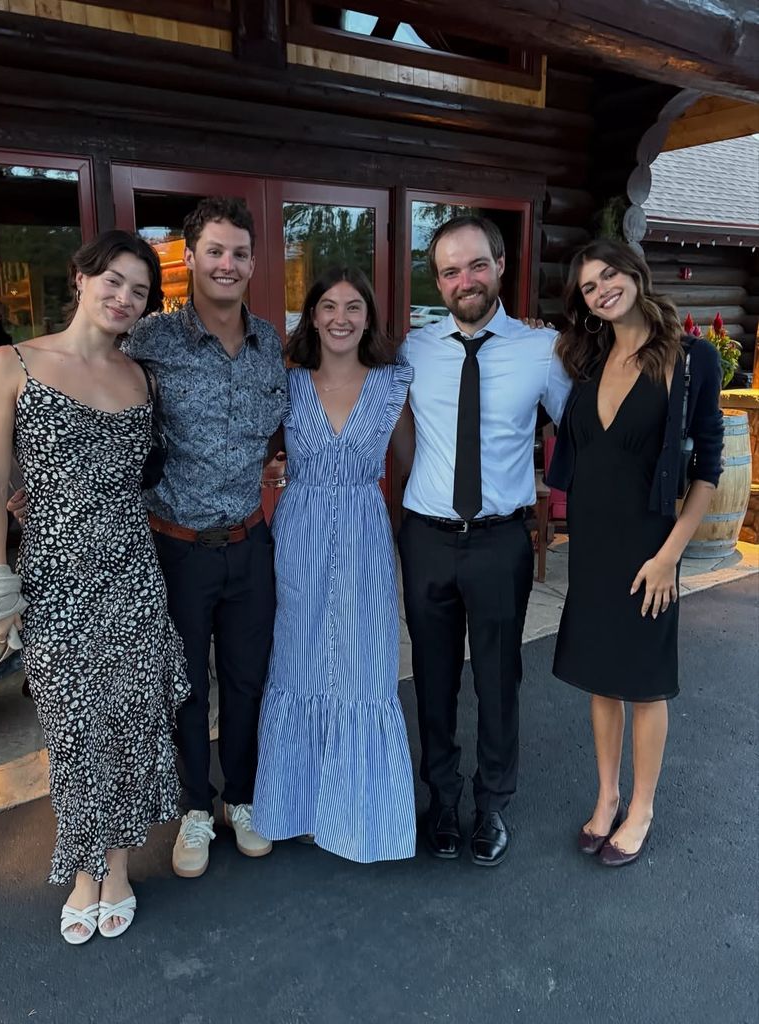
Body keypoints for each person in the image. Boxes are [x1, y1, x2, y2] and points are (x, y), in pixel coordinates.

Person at [0, 230, 189, 944]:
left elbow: (141, 475)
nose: (124, 298)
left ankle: (116, 867)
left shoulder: (142, 378)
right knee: (72, 729)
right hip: (55, 580)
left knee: (128, 722)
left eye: (139, 291)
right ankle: (83, 868)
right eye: (113, 281)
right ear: (81, 278)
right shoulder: (12, 363)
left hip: (132, 573)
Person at [398, 214, 572, 867]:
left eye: (476, 265)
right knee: (432, 677)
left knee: (499, 677)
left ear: (500, 266)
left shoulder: (542, 349)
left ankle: (492, 801)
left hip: (500, 541)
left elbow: (581, 430)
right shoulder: (414, 350)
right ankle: (442, 799)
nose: (464, 280)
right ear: (437, 281)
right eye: (450, 271)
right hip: (426, 538)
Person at [546, 239, 723, 866]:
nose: (603, 291)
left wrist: (670, 555)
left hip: (650, 548)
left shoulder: (692, 359)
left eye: (609, 275)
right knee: (602, 679)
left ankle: (641, 807)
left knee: (644, 683)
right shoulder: (589, 358)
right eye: (589, 287)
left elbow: (707, 469)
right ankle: (607, 796)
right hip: (592, 545)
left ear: (635, 273)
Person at [124, 197, 287, 875]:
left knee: (248, 679)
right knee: (186, 684)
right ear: (188, 258)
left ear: (253, 263)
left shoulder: (270, 343)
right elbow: (92, 393)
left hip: (249, 544)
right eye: (215, 251)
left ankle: (240, 798)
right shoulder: (149, 339)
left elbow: (279, 427)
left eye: (240, 253)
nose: (228, 264)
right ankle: (196, 808)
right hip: (178, 547)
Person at [252, 267, 416, 862]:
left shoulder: (393, 383)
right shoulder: (288, 385)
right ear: (312, 317)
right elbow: (253, 451)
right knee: (298, 664)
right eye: (328, 306)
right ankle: (296, 806)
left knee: (364, 670)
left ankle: (359, 813)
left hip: (365, 533)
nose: (340, 318)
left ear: (368, 317)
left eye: (353, 307)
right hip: (299, 536)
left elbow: (412, 463)